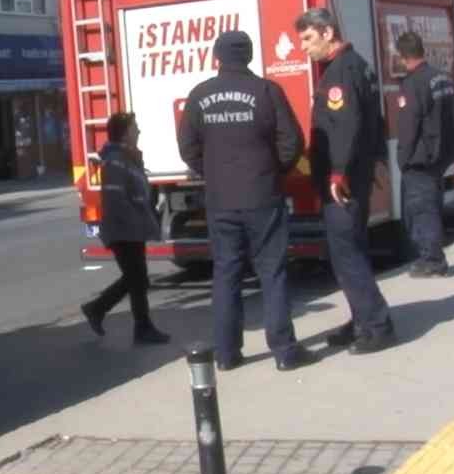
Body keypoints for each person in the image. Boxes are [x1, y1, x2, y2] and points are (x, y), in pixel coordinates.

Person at [177, 30, 313, 371]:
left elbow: (188, 147)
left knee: (226, 275)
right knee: (273, 272)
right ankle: (283, 350)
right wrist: (272, 169)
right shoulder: (267, 91)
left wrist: (211, 171)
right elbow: (292, 141)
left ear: (217, 57)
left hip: (221, 199)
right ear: (249, 56)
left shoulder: (200, 95)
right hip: (263, 195)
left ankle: (226, 354)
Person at [295, 8, 396, 354]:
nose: (304, 48)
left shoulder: (340, 72)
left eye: (308, 38)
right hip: (356, 174)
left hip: (344, 182)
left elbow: (346, 126)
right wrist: (375, 160)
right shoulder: (355, 65)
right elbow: (373, 120)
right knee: (351, 251)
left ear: (327, 32)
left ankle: (376, 326)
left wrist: (338, 172)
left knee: (347, 255)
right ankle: (360, 319)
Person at [81, 112, 170, 345]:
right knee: (137, 279)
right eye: (135, 128)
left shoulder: (127, 157)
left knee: (136, 279)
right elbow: (115, 200)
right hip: (123, 231)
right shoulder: (115, 160)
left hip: (131, 229)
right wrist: (135, 224)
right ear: (125, 133)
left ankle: (98, 310)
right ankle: (140, 328)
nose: (138, 131)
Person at [394, 30, 454, 277]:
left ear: (403, 56)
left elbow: (408, 126)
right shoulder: (441, 78)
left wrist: (402, 158)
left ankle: (432, 261)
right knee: (432, 206)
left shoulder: (412, 84)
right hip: (440, 156)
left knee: (422, 210)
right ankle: (432, 256)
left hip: (420, 158)